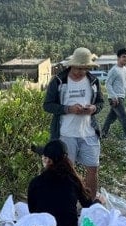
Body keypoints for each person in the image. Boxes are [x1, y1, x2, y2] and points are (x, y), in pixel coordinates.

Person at [43, 47, 105, 195]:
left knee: (92, 168)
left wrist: (93, 109)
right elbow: (47, 105)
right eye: (78, 68)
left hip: (89, 132)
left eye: (84, 68)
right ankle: (69, 200)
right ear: (71, 65)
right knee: (67, 170)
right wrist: (68, 109)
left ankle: (89, 203)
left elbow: (101, 103)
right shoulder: (59, 81)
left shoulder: (93, 81)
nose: (80, 72)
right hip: (66, 134)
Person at [28, 139, 103, 226]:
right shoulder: (73, 180)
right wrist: (98, 202)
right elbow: (87, 205)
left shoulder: (35, 182)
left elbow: (32, 212)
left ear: (49, 161)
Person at [101, 48, 126, 146]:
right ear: (118, 58)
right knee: (124, 118)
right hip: (115, 99)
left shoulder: (125, 69)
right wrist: (114, 97)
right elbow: (107, 84)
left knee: (110, 118)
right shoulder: (114, 70)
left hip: (121, 97)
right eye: (124, 57)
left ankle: (103, 134)